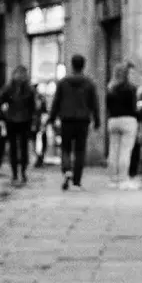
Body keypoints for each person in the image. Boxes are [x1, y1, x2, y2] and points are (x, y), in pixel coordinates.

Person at [47, 54, 100, 190]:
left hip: (67, 119)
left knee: (66, 147)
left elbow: (56, 101)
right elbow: (94, 103)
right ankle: (77, 181)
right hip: (83, 120)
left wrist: (51, 118)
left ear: (72, 65)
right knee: (80, 150)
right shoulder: (89, 83)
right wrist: (97, 120)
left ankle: (67, 170)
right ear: (83, 65)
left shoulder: (63, 82)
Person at [0, 65, 38, 185]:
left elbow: (33, 107)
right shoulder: (9, 88)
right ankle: (15, 173)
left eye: (22, 74)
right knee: (14, 148)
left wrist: (33, 120)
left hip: (25, 120)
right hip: (12, 120)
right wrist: (3, 115)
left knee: (23, 147)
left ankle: (23, 172)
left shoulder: (29, 89)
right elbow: (0, 101)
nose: (20, 76)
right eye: (18, 74)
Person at [105, 62, 139, 190]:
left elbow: (108, 106)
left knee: (113, 151)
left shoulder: (110, 88)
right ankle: (123, 179)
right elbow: (134, 107)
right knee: (125, 151)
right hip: (128, 120)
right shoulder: (131, 88)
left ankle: (113, 179)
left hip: (113, 120)